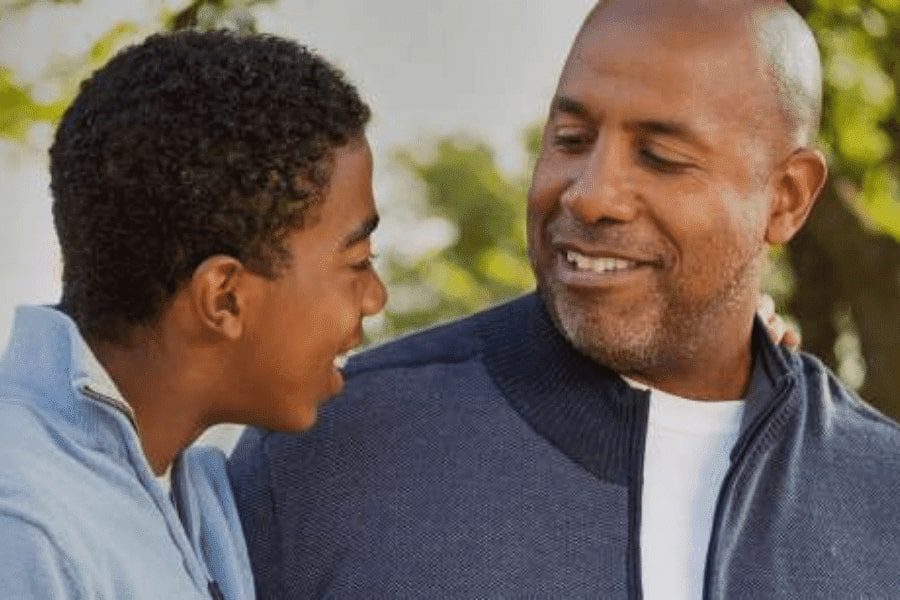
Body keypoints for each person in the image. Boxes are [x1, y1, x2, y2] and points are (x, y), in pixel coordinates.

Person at [228, 1, 900, 598]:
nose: (590, 193)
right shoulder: (324, 445)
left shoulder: (881, 494)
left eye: (661, 156)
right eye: (571, 141)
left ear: (785, 199)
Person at [0, 31, 386, 599]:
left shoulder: (192, 486)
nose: (375, 297)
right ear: (224, 296)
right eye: (358, 261)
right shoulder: (30, 529)